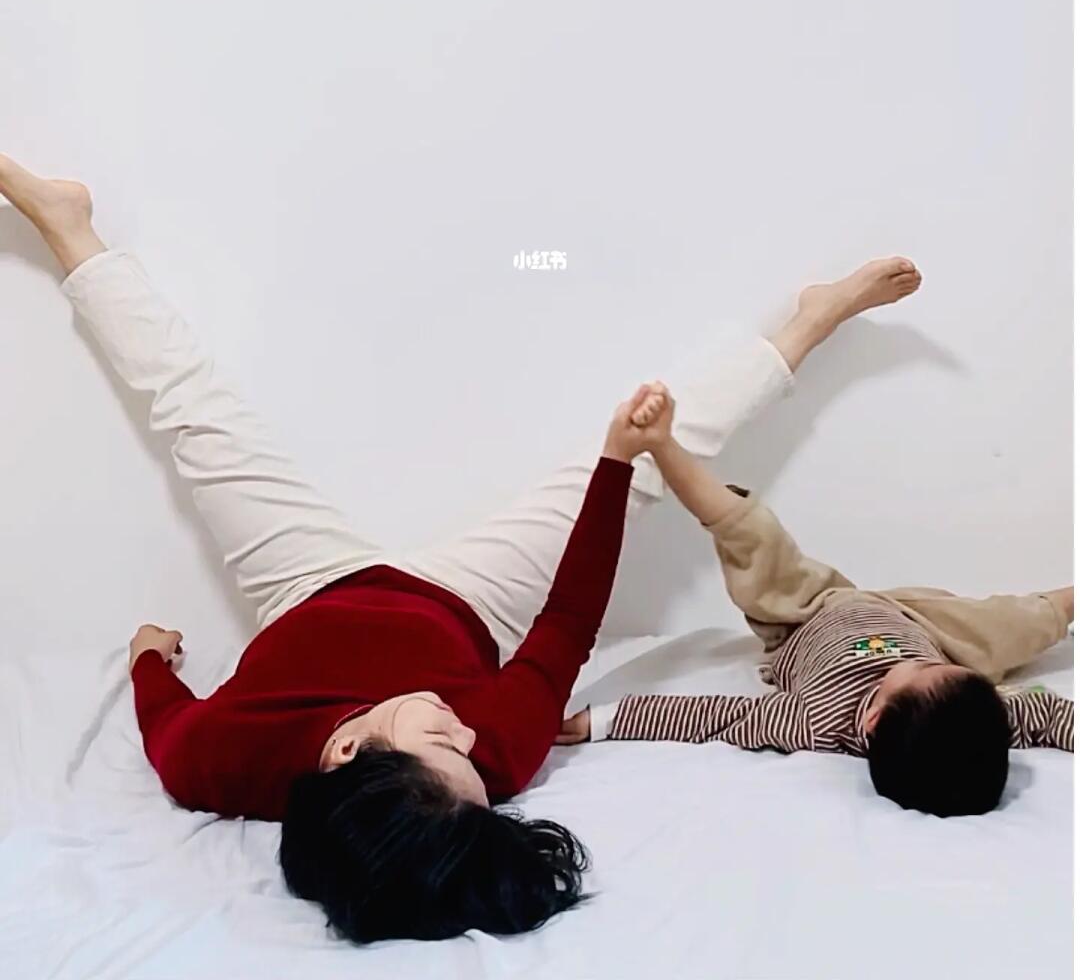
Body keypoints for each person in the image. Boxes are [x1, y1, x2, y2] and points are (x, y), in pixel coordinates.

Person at [0, 151, 921, 941]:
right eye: (470, 762)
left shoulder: (221, 760)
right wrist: (615, 460)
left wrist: (147, 658)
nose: (466, 731)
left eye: (440, 740)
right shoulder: (494, 755)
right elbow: (567, 623)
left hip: (304, 589)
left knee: (197, 415)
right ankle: (807, 322)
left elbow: (165, 724)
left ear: (347, 750)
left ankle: (69, 227)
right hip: (462, 603)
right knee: (654, 458)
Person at [563, 381, 1074, 818]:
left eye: (922, 669)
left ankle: (662, 446)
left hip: (810, 611)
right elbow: (1052, 716)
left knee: (755, 538)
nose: (929, 664)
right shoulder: (982, 715)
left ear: (873, 720)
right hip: (929, 622)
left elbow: (708, 717)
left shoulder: (813, 720)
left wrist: (599, 722)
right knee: (1018, 621)